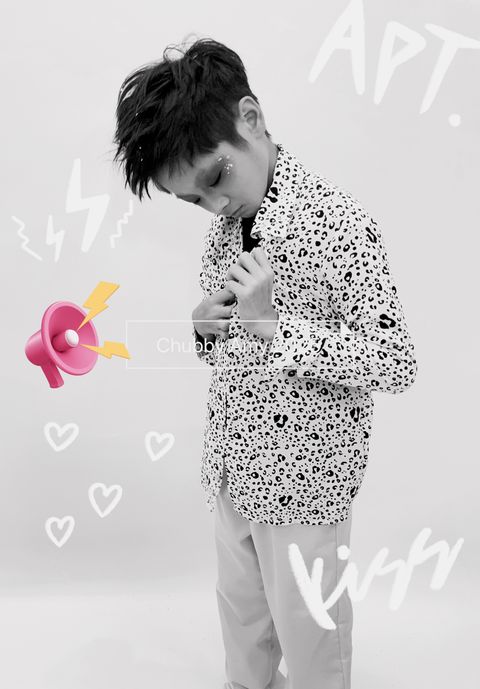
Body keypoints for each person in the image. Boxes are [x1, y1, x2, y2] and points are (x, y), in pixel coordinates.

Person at [112, 36, 418, 689]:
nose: (214, 205)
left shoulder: (340, 224)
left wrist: (275, 328)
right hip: (232, 470)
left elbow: (395, 361)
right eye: (193, 200)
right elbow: (231, 349)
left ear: (250, 118)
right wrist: (205, 330)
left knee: (311, 641)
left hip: (306, 483)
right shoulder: (223, 233)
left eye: (215, 178)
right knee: (243, 628)